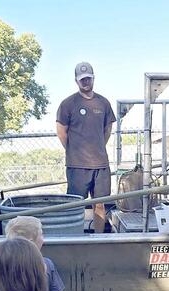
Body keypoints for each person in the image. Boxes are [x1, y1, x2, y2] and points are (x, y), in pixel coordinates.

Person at [57, 61, 116, 233]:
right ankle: (74, 238)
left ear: (93, 78)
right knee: (76, 205)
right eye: (82, 79)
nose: (86, 82)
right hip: (77, 166)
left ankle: (99, 239)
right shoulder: (68, 103)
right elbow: (61, 131)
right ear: (76, 80)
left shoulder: (103, 103)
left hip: (100, 164)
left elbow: (108, 129)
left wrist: (97, 147)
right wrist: (73, 150)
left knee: (100, 204)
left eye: (88, 78)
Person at [0, 216, 65, 291]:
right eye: (41, 235)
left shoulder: (2, 265)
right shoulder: (46, 264)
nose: (43, 239)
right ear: (30, 242)